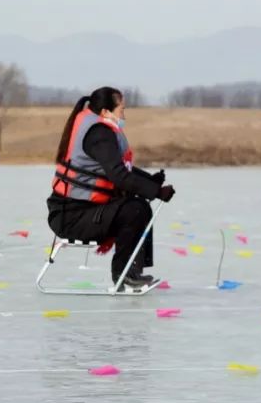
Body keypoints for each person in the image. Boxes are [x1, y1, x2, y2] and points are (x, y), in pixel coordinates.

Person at [47, 86, 175, 290]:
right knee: (135, 209)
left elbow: (118, 169)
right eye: (121, 109)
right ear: (105, 112)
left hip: (80, 209)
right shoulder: (99, 134)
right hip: (71, 215)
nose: (124, 115)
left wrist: (151, 182)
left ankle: (132, 271)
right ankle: (123, 274)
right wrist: (156, 192)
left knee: (139, 206)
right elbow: (119, 176)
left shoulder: (97, 128)